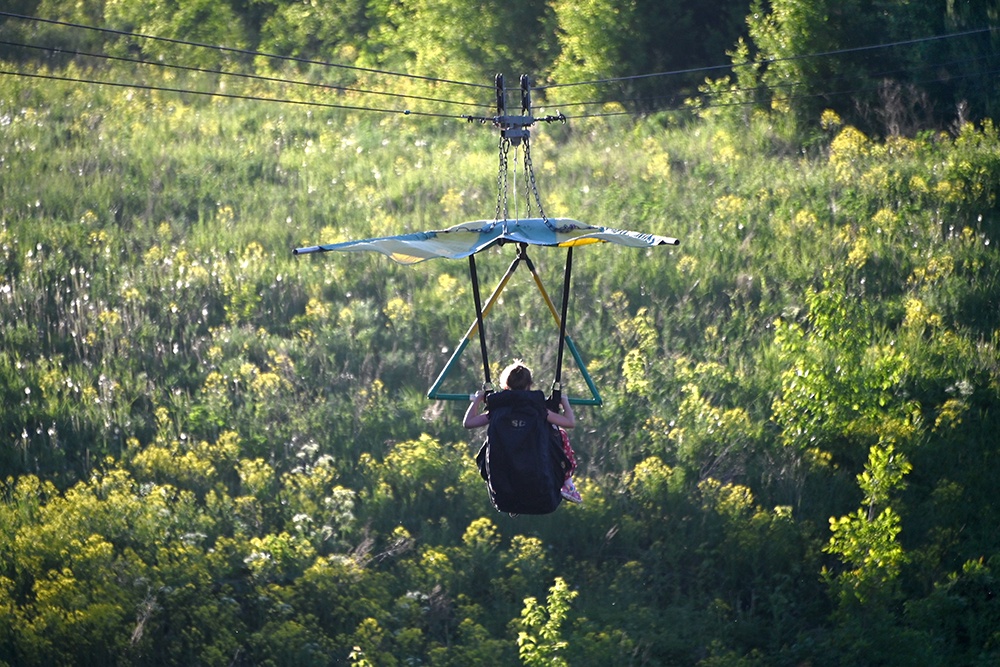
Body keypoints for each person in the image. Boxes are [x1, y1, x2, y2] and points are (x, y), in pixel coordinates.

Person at [464, 360, 582, 503]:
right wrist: (565, 403)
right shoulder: (539, 411)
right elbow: (570, 422)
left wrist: (477, 400)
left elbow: (468, 422)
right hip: (538, 483)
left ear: (505, 385)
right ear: (529, 385)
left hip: (504, 486)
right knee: (560, 434)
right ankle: (567, 483)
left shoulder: (498, 411)